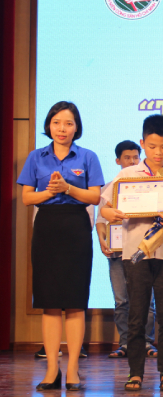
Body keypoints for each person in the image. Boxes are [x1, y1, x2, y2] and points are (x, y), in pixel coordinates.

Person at [101, 114, 163, 392]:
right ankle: (135, 373)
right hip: (135, 254)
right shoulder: (127, 175)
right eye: (152, 146)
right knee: (137, 314)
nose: (159, 152)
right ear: (142, 144)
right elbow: (104, 206)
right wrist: (112, 213)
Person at [18, 101, 104, 391]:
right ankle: (52, 369)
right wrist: (49, 191)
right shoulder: (36, 157)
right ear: (49, 125)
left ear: (76, 127)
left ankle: (73, 369)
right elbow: (27, 198)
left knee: (75, 302)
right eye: (56, 123)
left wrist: (67, 188)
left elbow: (94, 197)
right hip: (47, 228)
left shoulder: (88, 156)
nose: (62, 129)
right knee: (50, 303)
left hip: (76, 228)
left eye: (68, 123)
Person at [96, 140, 157, 359]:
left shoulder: (149, 184)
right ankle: (125, 343)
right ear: (117, 161)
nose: (132, 161)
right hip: (116, 252)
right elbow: (101, 219)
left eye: (135, 157)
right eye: (127, 158)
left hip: (141, 251)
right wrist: (102, 239)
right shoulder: (110, 187)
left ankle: (146, 342)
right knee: (121, 301)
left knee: (147, 301)